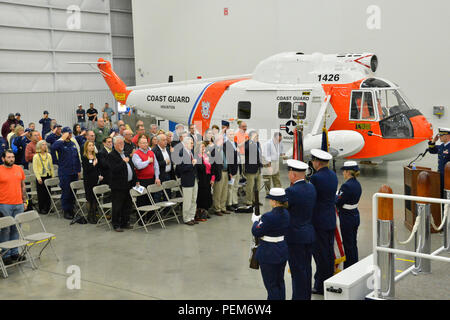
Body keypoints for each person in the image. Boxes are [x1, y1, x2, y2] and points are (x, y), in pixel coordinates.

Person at [285, 159, 316, 300]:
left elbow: (285, 211)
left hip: (295, 237)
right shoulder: (311, 188)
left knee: (297, 270)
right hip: (308, 233)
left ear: (293, 175)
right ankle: (306, 296)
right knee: (307, 268)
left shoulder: (291, 191)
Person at [251, 188, 290, 300]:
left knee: (271, 285)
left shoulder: (268, 216)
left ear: (274, 201)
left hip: (269, 253)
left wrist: (255, 221)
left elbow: (256, 231)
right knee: (280, 283)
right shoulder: (286, 213)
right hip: (281, 250)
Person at [309, 148, 338, 295]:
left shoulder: (315, 178)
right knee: (327, 252)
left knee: (320, 255)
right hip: (330, 218)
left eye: (313, 160)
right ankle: (328, 280)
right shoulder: (333, 175)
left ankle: (320, 285)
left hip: (318, 220)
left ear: (317, 162)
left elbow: (311, 198)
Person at [0, 150, 28, 266]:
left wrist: (25, 200)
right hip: (4, 204)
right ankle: (5, 255)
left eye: (12, 157)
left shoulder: (18, 169)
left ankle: (15, 253)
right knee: (5, 230)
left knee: (16, 228)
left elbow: (23, 186)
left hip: (18, 204)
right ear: (3, 159)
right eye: (9, 157)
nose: (11, 159)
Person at [107, 136, 138, 232]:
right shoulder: (112, 155)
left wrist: (135, 179)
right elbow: (114, 169)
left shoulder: (125, 154)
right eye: (119, 143)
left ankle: (125, 222)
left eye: (123, 143)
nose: (122, 145)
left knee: (127, 204)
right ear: (114, 145)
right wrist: (123, 162)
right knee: (117, 205)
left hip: (128, 184)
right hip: (118, 185)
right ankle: (116, 224)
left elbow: (131, 168)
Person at [51, 127, 82, 220]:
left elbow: (76, 158)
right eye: (68, 133)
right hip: (65, 172)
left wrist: (79, 170)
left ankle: (72, 208)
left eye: (71, 133)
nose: (70, 135)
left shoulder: (72, 144)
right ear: (64, 134)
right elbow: (53, 147)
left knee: (73, 192)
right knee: (66, 192)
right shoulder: (60, 143)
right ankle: (66, 210)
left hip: (74, 172)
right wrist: (62, 138)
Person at [336, 161, 362, 269]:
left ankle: (349, 267)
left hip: (346, 217)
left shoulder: (346, 186)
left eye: (344, 171)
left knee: (347, 244)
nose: (343, 173)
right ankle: (355, 263)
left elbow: (338, 202)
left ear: (348, 172)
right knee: (353, 243)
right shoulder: (357, 184)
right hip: (355, 215)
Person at [132, 134, 160, 207]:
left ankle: (151, 218)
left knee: (151, 201)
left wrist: (157, 177)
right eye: (143, 143)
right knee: (142, 201)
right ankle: (143, 218)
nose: (145, 144)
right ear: (139, 144)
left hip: (151, 179)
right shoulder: (136, 154)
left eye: (146, 142)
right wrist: (148, 161)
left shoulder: (151, 152)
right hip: (141, 181)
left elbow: (156, 166)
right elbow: (138, 166)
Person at [175, 137, 198, 225]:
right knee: (187, 200)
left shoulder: (191, 152)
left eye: (192, 143)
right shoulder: (181, 153)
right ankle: (186, 218)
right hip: (187, 179)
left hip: (194, 178)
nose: (192, 144)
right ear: (185, 144)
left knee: (193, 199)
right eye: (191, 143)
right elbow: (181, 169)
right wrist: (192, 164)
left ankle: (192, 216)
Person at [81, 141, 103, 224]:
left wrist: (99, 175)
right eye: (90, 145)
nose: (91, 147)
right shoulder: (84, 157)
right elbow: (86, 169)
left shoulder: (95, 156)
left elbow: (98, 168)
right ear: (86, 147)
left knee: (95, 199)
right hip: (88, 180)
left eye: (93, 145)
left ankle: (94, 216)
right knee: (90, 199)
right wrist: (93, 164)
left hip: (95, 179)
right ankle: (90, 216)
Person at [32, 140, 54, 215]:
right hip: (41, 177)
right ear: (39, 146)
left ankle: (48, 207)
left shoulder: (49, 155)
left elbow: (51, 166)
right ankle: (42, 208)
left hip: (48, 175)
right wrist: (38, 178)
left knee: (48, 193)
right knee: (41, 194)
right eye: (43, 145)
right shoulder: (36, 156)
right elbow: (35, 168)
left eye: (45, 145)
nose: (45, 146)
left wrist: (53, 175)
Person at [195, 141, 215, 221]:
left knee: (207, 195)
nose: (203, 148)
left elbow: (212, 168)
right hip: (201, 179)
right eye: (201, 147)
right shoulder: (197, 157)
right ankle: (200, 213)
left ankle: (205, 212)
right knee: (201, 196)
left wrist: (212, 178)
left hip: (208, 178)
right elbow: (200, 168)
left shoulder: (207, 156)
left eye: (204, 147)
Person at [428, 127, 450, 198]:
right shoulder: (442, 146)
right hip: (440, 176)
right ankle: (444, 209)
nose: (439, 137)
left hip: (448, 177)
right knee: (442, 197)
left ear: (447, 136)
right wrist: (433, 141)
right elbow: (432, 150)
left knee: (447, 197)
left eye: (441, 135)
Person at [244, 130, 262, 208]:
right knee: (250, 186)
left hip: (257, 168)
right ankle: (249, 201)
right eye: (256, 136)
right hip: (250, 169)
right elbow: (247, 149)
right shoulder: (247, 143)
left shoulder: (258, 143)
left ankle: (256, 200)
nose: (257, 137)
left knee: (257, 186)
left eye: (258, 136)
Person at [224, 129, 240, 213]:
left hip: (237, 168)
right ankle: (229, 204)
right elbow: (228, 159)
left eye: (233, 134)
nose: (232, 136)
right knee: (230, 187)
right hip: (231, 169)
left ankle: (235, 202)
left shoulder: (235, 143)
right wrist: (229, 171)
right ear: (226, 135)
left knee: (236, 186)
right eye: (230, 134)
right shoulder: (226, 145)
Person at [210, 133, 227, 216]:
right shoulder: (213, 150)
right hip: (218, 173)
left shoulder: (223, 148)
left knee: (224, 191)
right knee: (218, 192)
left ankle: (223, 207)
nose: (222, 141)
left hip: (226, 172)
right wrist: (213, 176)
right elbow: (212, 165)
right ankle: (217, 208)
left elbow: (227, 160)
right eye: (221, 139)